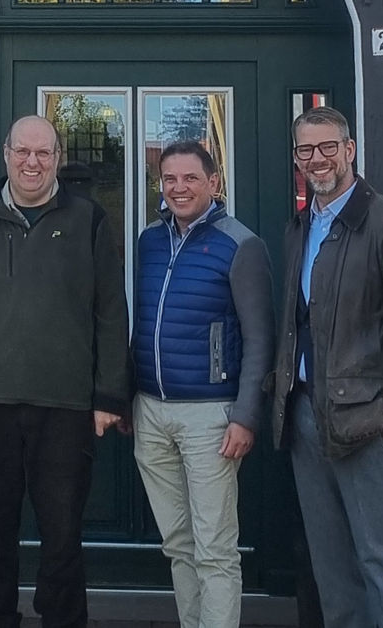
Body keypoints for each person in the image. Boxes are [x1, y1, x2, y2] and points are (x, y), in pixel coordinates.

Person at [0, 115, 130, 628]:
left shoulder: (88, 218)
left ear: (57, 157)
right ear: (6, 154)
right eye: (22, 152)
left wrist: (110, 394)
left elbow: (111, 310)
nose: (32, 163)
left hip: (65, 406)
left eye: (43, 154)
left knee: (63, 537)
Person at [269, 106, 383, 628]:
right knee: (333, 570)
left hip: (372, 424)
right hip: (306, 417)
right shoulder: (299, 228)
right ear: (297, 159)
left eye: (329, 147)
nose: (318, 158)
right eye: (306, 149)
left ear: (350, 150)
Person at [130, 141, 274, 628]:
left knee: (214, 549)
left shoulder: (241, 243)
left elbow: (260, 339)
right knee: (178, 544)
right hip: (151, 411)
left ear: (213, 183)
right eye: (169, 179)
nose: (178, 187)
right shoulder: (150, 240)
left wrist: (246, 415)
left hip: (212, 417)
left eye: (190, 178)